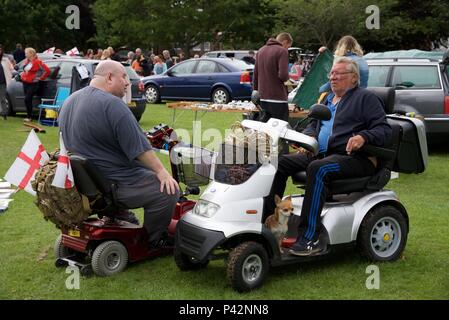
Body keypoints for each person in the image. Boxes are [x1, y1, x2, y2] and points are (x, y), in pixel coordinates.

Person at [264, 57, 392, 256]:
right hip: (322, 154)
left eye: (338, 74)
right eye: (331, 73)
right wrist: (309, 138)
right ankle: (268, 224)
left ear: (354, 78)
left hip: (356, 159)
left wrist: (363, 137)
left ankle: (309, 237)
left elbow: (384, 130)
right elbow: (313, 125)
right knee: (278, 162)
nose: (333, 77)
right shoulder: (326, 99)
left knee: (319, 168)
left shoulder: (365, 99)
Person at [59, 60, 180, 249]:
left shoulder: (69, 102)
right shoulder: (113, 105)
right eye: (123, 76)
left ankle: (119, 215)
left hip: (87, 185)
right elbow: (140, 149)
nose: (127, 82)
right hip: (115, 185)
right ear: (109, 77)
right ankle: (154, 239)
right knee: (167, 190)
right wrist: (162, 172)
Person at [253, 32, 292, 123]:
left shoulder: (261, 51)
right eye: (288, 46)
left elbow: (255, 75)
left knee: (264, 131)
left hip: (262, 98)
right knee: (279, 130)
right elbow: (283, 75)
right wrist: (288, 82)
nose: (287, 49)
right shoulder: (282, 51)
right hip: (278, 98)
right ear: (285, 42)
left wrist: (255, 92)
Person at [20, 47, 51, 122]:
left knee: (27, 98)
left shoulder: (38, 62)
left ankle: (29, 117)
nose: (25, 54)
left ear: (31, 54)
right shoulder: (26, 61)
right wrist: (22, 76)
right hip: (25, 82)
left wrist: (41, 78)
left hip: (33, 83)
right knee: (27, 100)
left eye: (26, 53)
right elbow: (25, 71)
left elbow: (47, 71)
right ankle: (29, 117)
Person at [1, 47, 14, 119]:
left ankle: (4, 113)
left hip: (3, 81)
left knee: (3, 98)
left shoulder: (6, 60)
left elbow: (12, 69)